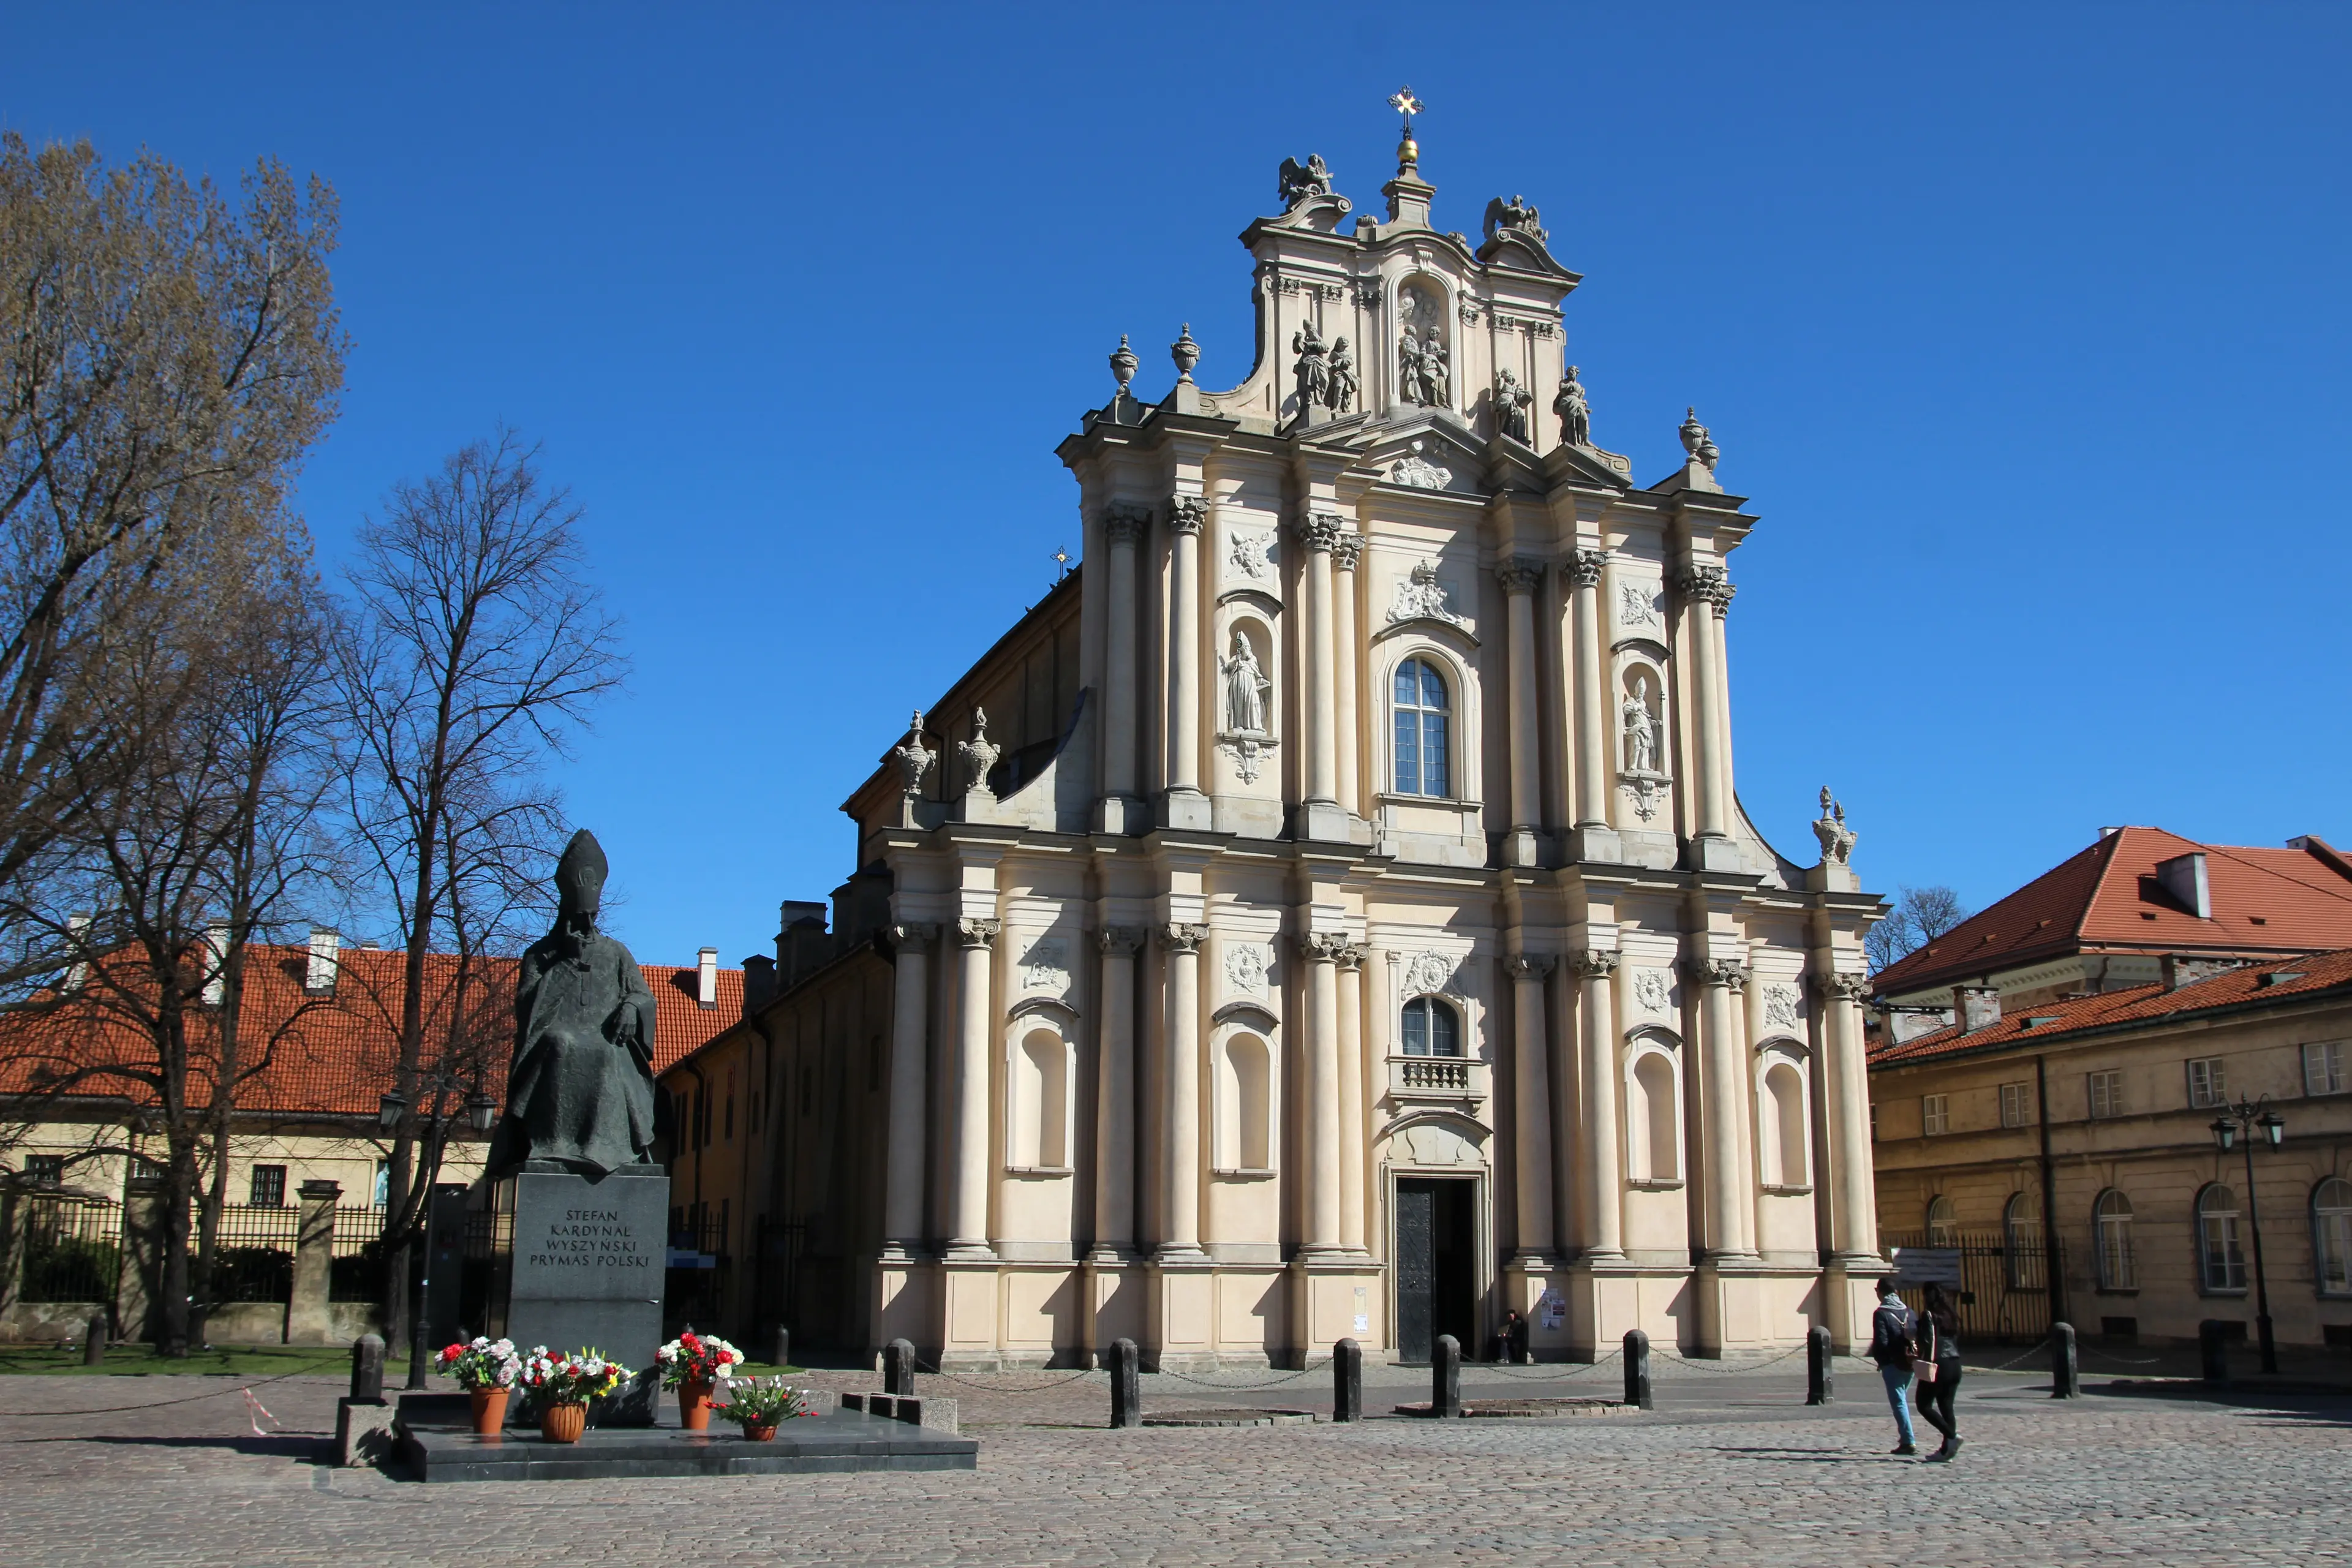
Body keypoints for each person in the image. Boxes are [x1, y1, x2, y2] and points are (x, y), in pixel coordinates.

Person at [1865, 1276, 1920, 1455]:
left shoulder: (1881, 1313)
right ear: (1896, 1292)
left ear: (1879, 1292)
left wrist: (1882, 1361)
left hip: (1892, 1362)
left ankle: (1908, 1440)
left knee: (1899, 1402)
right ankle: (1906, 1437)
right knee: (1902, 1399)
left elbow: (1881, 1341)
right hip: (1909, 1361)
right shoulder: (1908, 1311)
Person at [1913, 1282, 1966, 1461]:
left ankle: (1952, 1436)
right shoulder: (1951, 1314)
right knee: (1946, 1406)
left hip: (1938, 1364)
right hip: (1955, 1362)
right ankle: (1946, 1451)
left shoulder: (1928, 1315)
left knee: (1923, 1404)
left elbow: (1926, 1341)